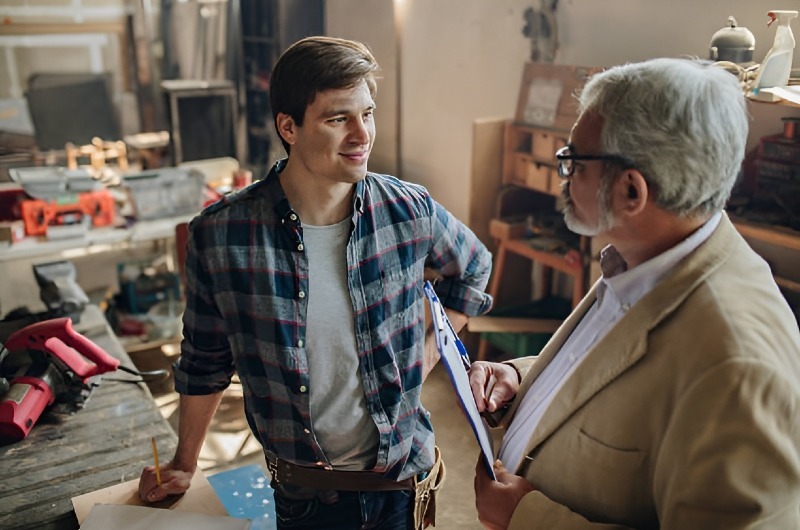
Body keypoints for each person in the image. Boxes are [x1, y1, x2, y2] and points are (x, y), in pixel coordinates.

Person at [138, 36, 493, 530]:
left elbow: (473, 269)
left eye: (367, 114)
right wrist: (183, 463)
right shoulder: (222, 237)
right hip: (305, 498)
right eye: (338, 119)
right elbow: (205, 363)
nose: (362, 134)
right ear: (289, 127)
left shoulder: (407, 210)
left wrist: (430, 350)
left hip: (404, 486)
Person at [470, 57, 800, 529]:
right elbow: (619, 370)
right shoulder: (643, 258)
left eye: (574, 162)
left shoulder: (737, 366)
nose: (563, 174)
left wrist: (529, 518)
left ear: (631, 191)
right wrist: (524, 380)